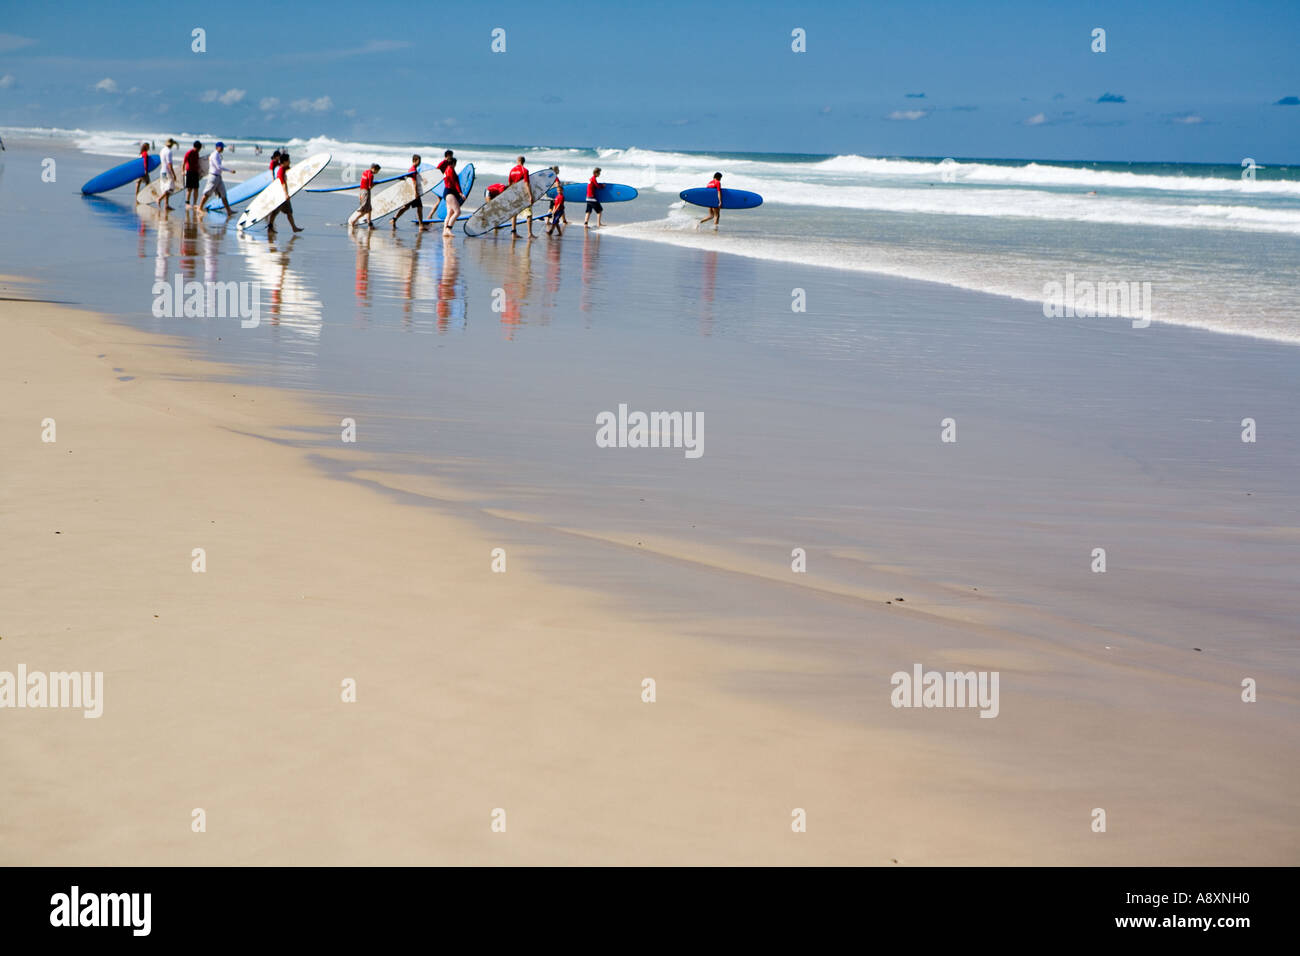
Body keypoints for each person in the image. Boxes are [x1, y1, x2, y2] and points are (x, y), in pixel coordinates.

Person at [266, 154, 303, 233]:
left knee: (289, 212)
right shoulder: (281, 170)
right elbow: (283, 184)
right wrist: (286, 195)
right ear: (285, 161)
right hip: (280, 195)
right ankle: (270, 227)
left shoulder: (286, 168)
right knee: (275, 212)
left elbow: (292, 175)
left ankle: (294, 227)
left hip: (285, 194)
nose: (290, 161)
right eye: (289, 160)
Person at [199, 142, 235, 216]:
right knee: (207, 193)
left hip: (218, 177)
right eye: (222, 147)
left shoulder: (218, 155)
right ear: (218, 147)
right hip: (213, 177)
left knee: (223, 193)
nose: (223, 149)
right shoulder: (214, 155)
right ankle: (200, 208)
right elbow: (218, 167)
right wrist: (229, 170)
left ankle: (229, 211)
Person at [391, 154, 425, 230]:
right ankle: (421, 225)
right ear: (414, 160)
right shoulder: (413, 170)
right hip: (413, 192)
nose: (420, 163)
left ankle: (394, 219)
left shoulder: (412, 169)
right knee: (418, 207)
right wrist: (416, 192)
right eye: (419, 161)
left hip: (411, 191)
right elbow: (414, 182)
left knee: (406, 207)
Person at [437, 153, 464, 236]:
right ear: (453, 163)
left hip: (447, 192)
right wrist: (460, 193)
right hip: (450, 192)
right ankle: (448, 229)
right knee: (457, 212)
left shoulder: (446, 170)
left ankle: (444, 231)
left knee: (449, 213)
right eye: (455, 164)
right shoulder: (451, 170)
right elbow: (454, 182)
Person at [508, 155, 534, 238]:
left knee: (514, 213)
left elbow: (510, 184)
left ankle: (513, 233)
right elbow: (526, 183)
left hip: (514, 194)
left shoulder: (512, 170)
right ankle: (529, 233)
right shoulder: (525, 170)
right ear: (523, 161)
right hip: (523, 194)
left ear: (517, 161)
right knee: (529, 213)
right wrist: (530, 196)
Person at [348, 163, 381, 229]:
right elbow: (370, 186)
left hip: (361, 191)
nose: (377, 172)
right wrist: (375, 184)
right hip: (366, 192)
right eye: (377, 171)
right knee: (365, 210)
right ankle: (353, 221)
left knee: (369, 209)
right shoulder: (371, 175)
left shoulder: (365, 172)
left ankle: (369, 223)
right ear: (374, 169)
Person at [157, 138, 179, 210]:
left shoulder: (162, 150)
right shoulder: (169, 152)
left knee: (165, 187)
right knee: (170, 188)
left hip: (162, 171)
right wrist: (173, 174)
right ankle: (159, 199)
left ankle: (166, 205)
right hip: (167, 172)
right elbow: (169, 164)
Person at [182, 140, 203, 208]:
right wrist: (183, 171)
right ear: (197, 147)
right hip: (189, 171)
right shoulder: (189, 152)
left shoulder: (197, 153)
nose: (200, 150)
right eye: (200, 148)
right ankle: (187, 203)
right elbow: (184, 162)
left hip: (195, 172)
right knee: (189, 188)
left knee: (196, 188)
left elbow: (197, 162)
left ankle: (194, 203)